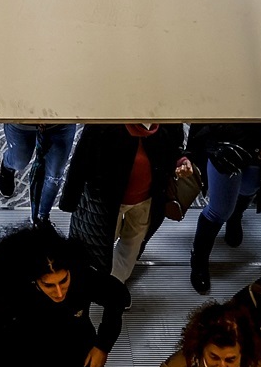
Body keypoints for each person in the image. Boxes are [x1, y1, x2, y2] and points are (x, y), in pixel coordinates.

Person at [0, 220, 126, 367]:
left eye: (63, 281)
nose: (59, 292)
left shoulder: (82, 276)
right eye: (48, 285)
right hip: (24, 361)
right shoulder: (15, 290)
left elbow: (117, 296)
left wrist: (102, 345)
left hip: (72, 361)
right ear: (33, 280)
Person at [185, 122, 261, 294]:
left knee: (249, 187)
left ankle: (235, 217)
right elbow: (213, 115)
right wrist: (256, 142)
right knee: (220, 209)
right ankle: (199, 258)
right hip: (228, 145)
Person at [58, 122, 188, 284]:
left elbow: (174, 148)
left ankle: (115, 287)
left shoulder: (167, 123)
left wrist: (181, 161)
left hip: (147, 199)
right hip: (105, 202)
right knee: (100, 244)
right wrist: (70, 200)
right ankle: (95, 285)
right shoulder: (104, 124)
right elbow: (81, 160)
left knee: (132, 246)